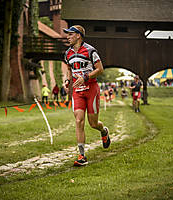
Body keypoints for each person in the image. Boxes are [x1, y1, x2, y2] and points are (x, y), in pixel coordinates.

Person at [63, 25, 111, 166]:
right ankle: (81, 155)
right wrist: (67, 80)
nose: (68, 37)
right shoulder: (67, 53)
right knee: (79, 121)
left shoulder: (90, 51)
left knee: (93, 123)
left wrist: (85, 77)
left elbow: (100, 69)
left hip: (91, 89)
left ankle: (104, 131)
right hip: (77, 91)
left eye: (70, 34)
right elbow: (69, 70)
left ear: (78, 35)